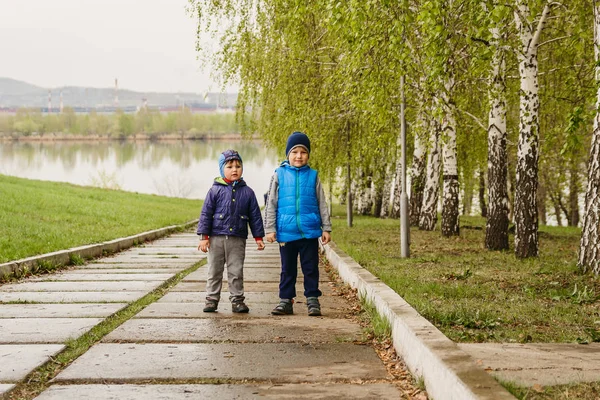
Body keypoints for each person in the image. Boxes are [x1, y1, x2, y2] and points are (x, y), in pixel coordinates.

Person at [264, 131, 332, 316]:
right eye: (294, 152)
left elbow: (322, 203)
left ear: (308, 154)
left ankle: (312, 299)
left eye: (303, 152)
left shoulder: (313, 176)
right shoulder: (279, 175)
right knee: (288, 269)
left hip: (309, 232)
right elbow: (271, 202)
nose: (299, 156)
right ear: (288, 154)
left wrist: (326, 227)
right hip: (286, 232)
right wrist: (270, 229)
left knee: (310, 268)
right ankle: (286, 300)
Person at [197, 149, 265, 313]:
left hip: (237, 239)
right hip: (216, 239)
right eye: (229, 166)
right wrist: (204, 237)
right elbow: (206, 214)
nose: (234, 169)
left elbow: (255, 215)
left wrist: (258, 237)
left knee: (236, 271)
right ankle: (211, 299)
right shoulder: (215, 191)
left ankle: (237, 300)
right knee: (214, 270)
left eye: (238, 166)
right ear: (222, 169)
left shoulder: (248, 192)